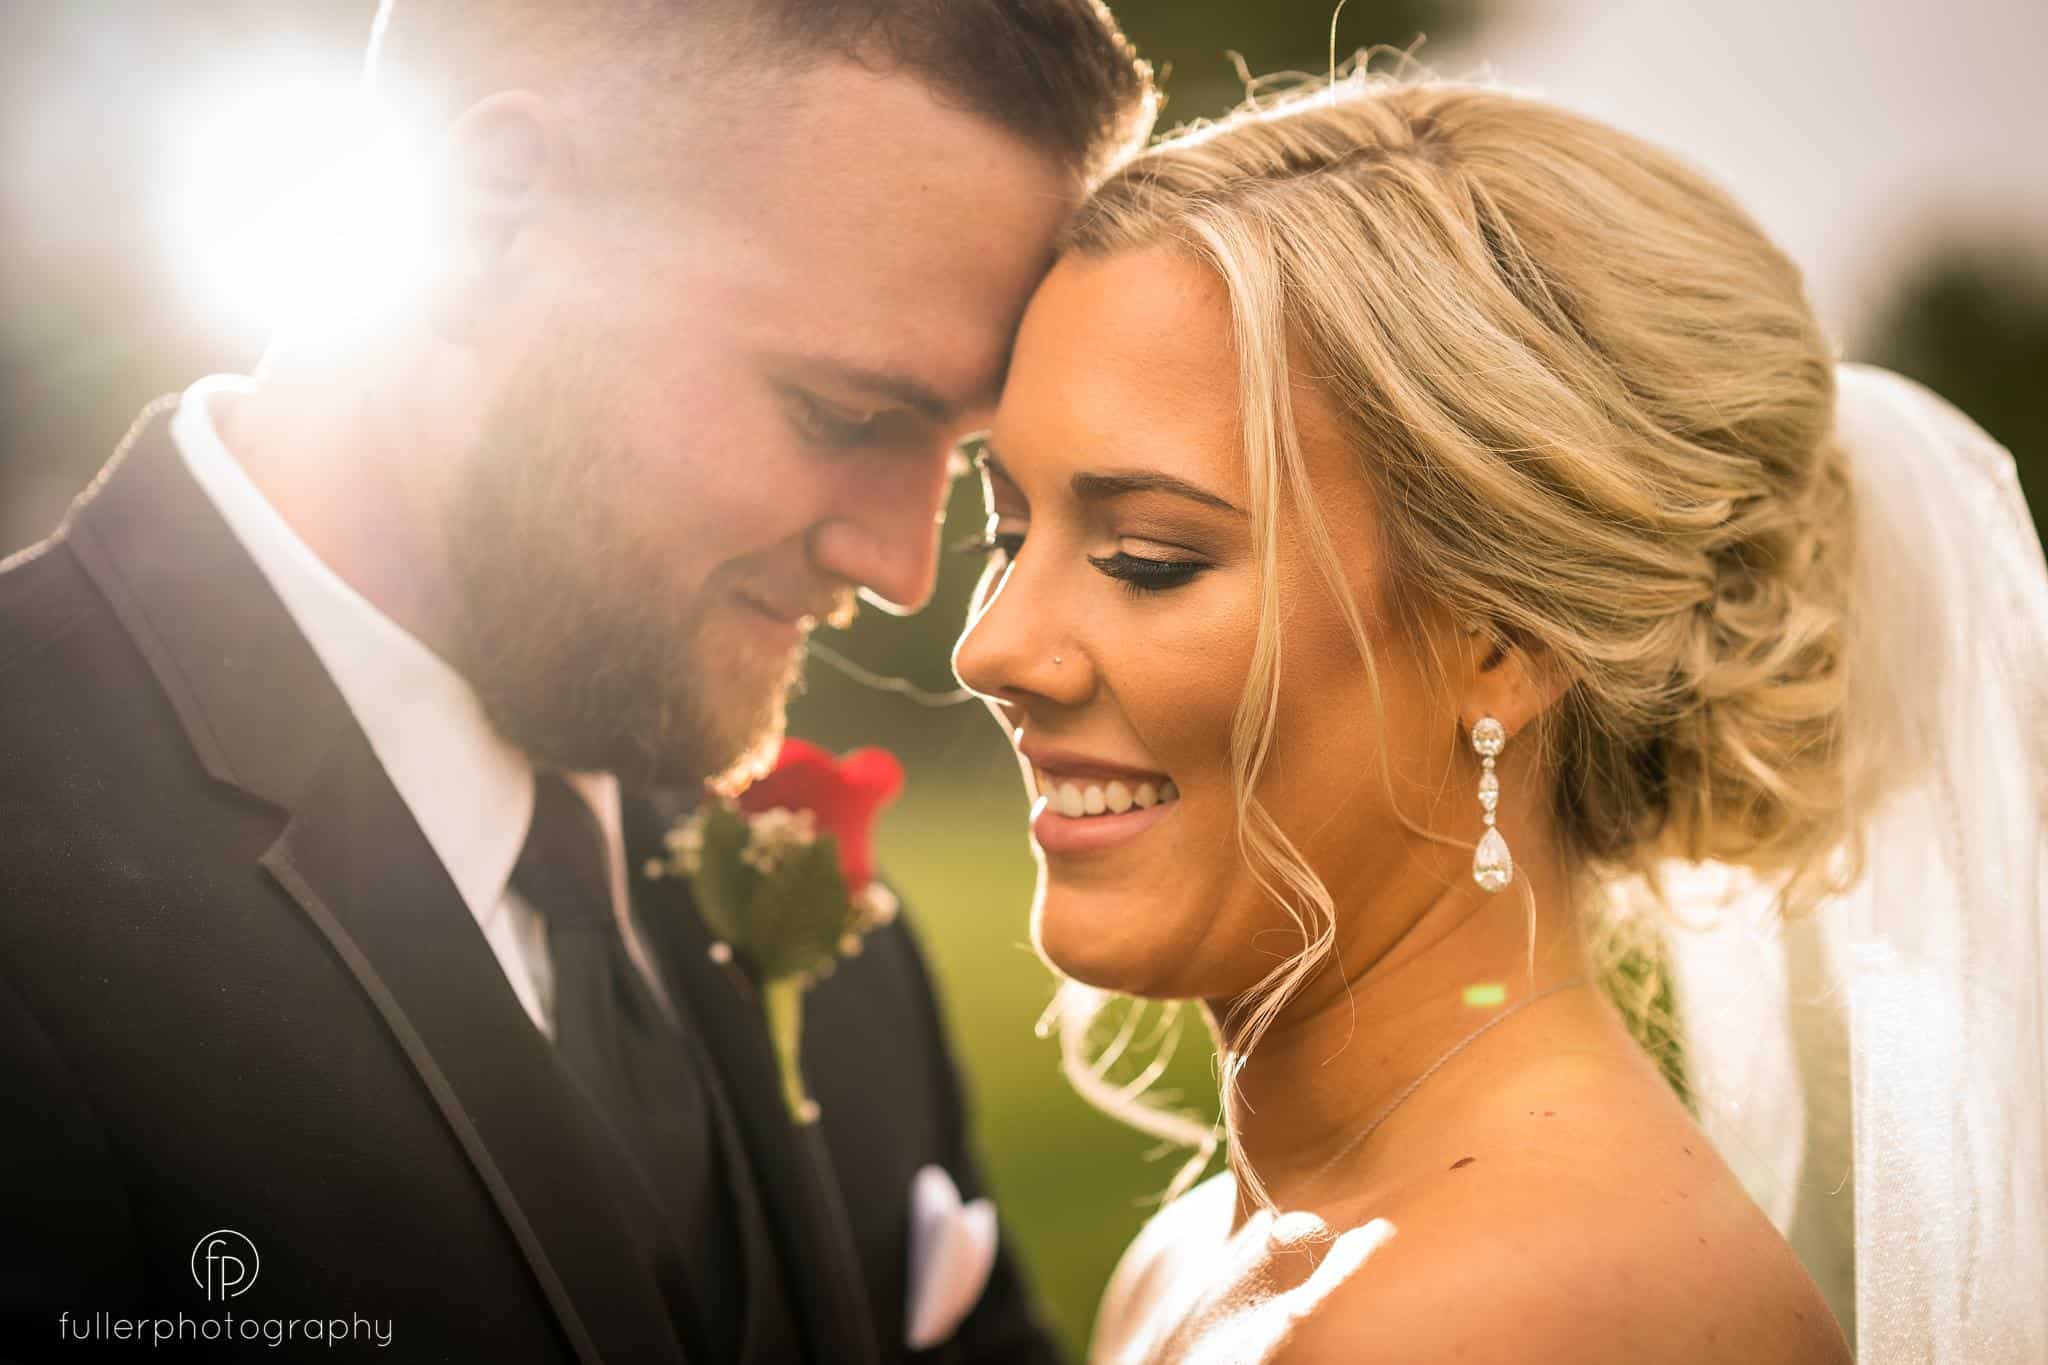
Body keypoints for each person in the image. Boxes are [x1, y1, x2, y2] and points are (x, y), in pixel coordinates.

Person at [0, 2, 1152, 1361]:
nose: (905, 570)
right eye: (839, 414)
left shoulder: (825, 928)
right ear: (491, 217)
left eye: (958, 455)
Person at [953, 72, 2047, 1364]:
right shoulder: (1196, 1256)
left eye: (1144, 555)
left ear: (1503, 639)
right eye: (1006, 531)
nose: (991, 646)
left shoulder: (1517, 1315)